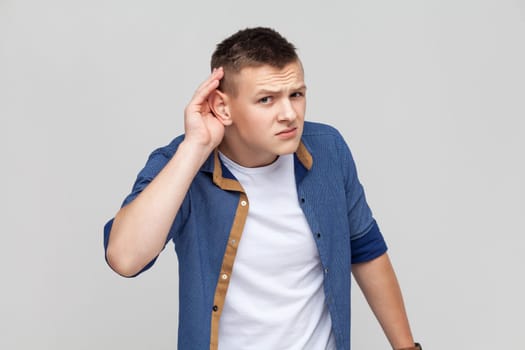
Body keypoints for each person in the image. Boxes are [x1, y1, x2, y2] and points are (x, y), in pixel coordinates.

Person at [104, 27, 421, 350]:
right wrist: (195, 147)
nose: (289, 115)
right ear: (223, 107)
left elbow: (366, 251)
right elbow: (125, 258)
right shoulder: (180, 163)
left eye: (296, 95)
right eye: (266, 100)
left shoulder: (329, 150)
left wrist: (407, 347)